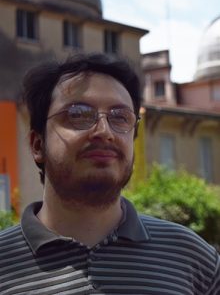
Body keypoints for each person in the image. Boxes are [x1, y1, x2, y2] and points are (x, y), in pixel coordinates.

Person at [0, 53, 219, 295]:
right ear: (38, 145)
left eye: (120, 117)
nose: (104, 131)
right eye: (78, 114)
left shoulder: (195, 261)